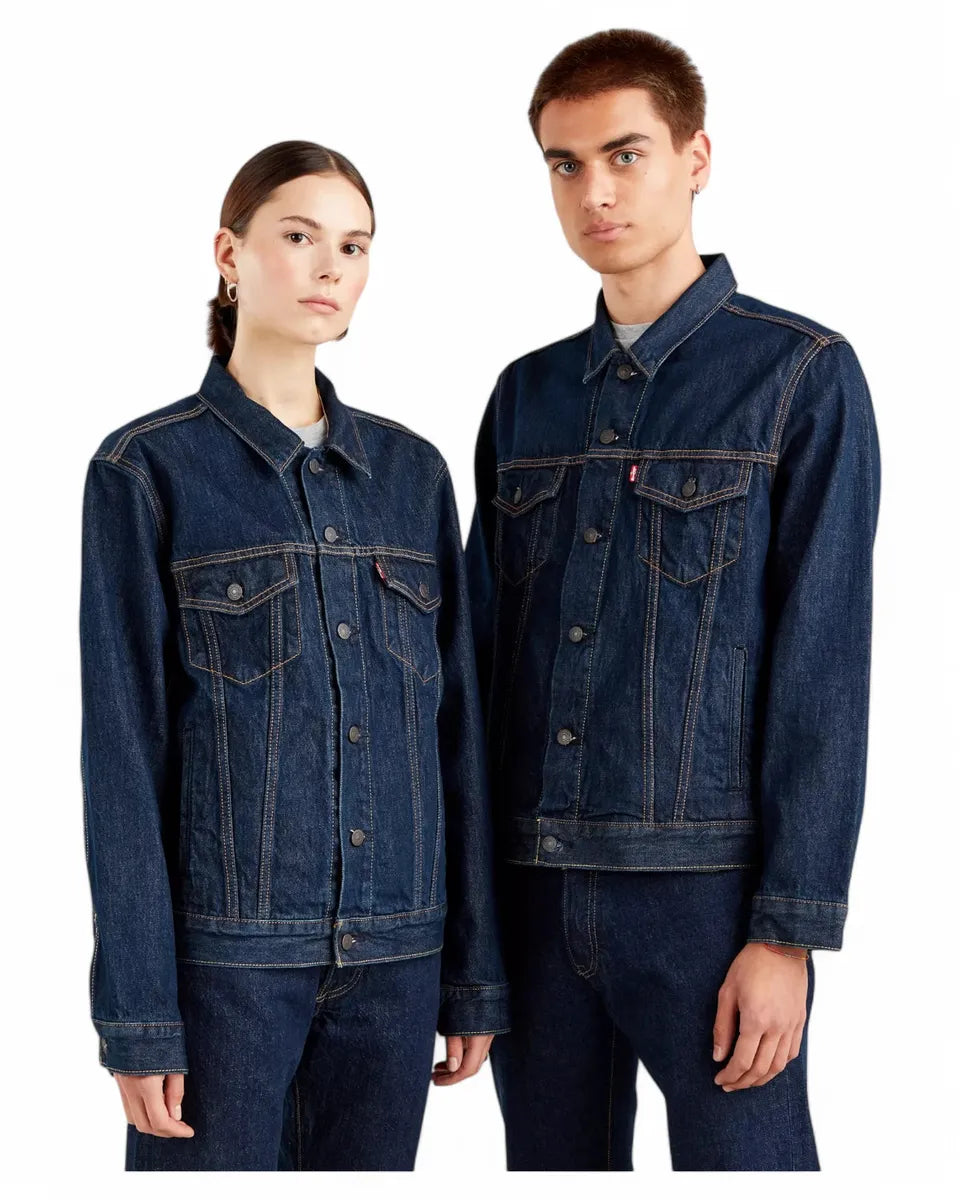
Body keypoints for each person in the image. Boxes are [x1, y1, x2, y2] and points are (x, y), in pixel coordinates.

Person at [464, 29, 880, 1171]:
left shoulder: (800, 375)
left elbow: (823, 671)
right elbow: (479, 673)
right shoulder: (525, 395)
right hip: (532, 892)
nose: (594, 192)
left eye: (625, 154)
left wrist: (788, 933)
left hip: (706, 902)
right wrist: (473, 931)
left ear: (696, 158)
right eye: (564, 164)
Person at [78, 139, 509, 1171]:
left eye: (354, 246)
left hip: (399, 962)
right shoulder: (145, 470)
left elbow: (459, 738)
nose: (330, 267)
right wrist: (140, 1015)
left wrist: (474, 973)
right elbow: (124, 760)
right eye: (300, 236)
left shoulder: (412, 473)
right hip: (229, 970)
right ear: (229, 254)